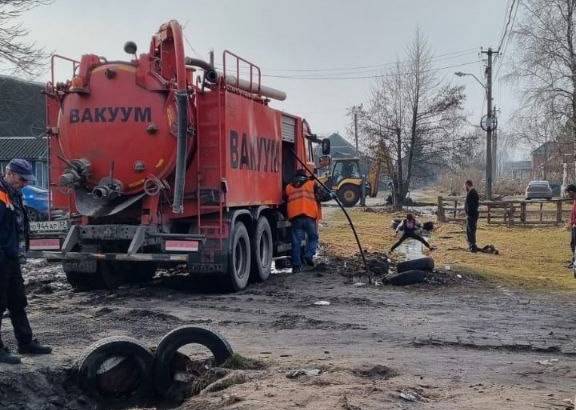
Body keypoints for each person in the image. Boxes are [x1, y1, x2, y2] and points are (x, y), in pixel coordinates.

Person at [0, 159, 52, 364]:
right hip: (2, 257)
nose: (25, 183)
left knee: (17, 301)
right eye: (22, 179)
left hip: (11, 257)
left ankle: (25, 342)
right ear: (10, 174)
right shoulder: (1, 195)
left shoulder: (14, 194)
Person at [285, 169, 332, 273]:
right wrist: (331, 195)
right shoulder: (311, 184)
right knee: (313, 238)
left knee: (296, 242)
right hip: (309, 216)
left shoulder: (288, 187)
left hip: (296, 218)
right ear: (305, 176)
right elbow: (323, 196)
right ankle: (309, 255)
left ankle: (296, 266)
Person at [464, 179, 480, 252]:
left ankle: (473, 246)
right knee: (469, 230)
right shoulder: (471, 192)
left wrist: (469, 213)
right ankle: (471, 245)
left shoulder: (472, 192)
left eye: (465, 185)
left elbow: (472, 205)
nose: (465, 187)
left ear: (467, 184)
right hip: (471, 215)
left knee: (471, 230)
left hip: (472, 215)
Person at [566, 184, 576, 267]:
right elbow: (573, 213)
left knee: (574, 244)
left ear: (572, 192)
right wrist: (570, 222)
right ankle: (574, 261)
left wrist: (574, 223)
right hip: (573, 226)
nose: (568, 195)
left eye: (568, 193)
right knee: (573, 243)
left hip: (575, 226)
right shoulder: (575, 200)